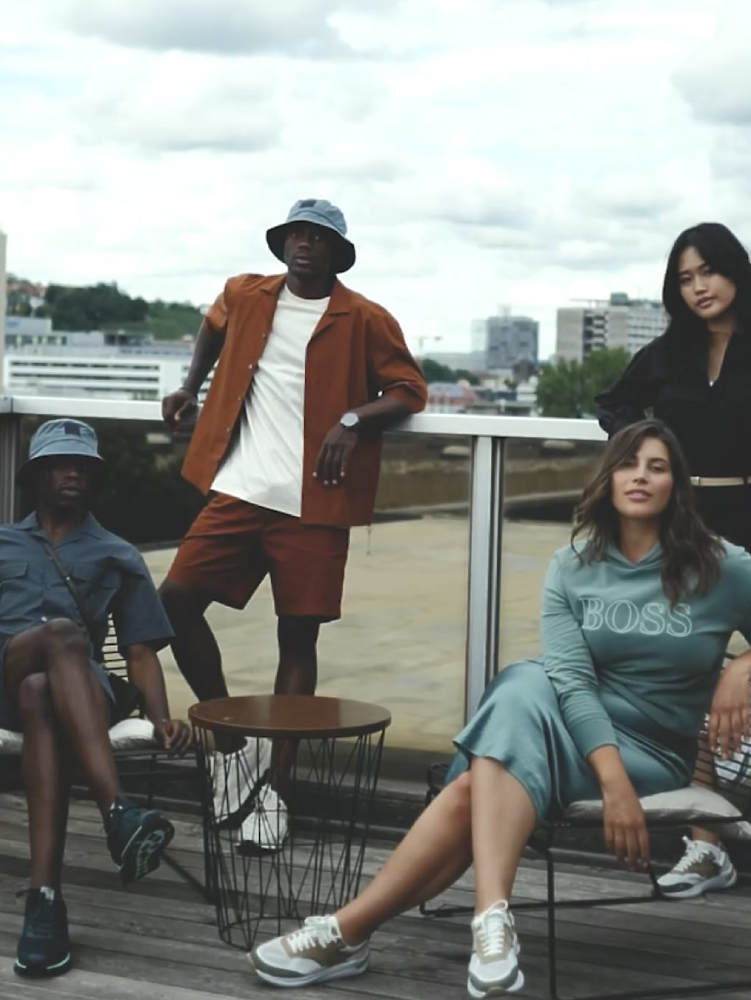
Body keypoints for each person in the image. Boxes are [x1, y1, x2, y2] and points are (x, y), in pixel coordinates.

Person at [247, 419, 751, 997]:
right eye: (627, 464)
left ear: (676, 485)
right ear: (608, 479)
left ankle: (348, 934)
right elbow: (572, 684)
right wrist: (610, 784)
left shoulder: (721, 567)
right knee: (524, 683)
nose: (640, 476)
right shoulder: (572, 566)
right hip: (577, 730)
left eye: (656, 467)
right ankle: (490, 921)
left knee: (477, 777)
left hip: (653, 753)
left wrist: (740, 668)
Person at [158, 198, 427, 848]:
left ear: (337, 252)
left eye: (318, 237)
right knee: (171, 605)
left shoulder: (364, 317)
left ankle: (276, 792)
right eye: (295, 234)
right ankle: (233, 748)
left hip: (315, 503)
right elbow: (212, 328)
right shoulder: (246, 294)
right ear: (282, 244)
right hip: (239, 488)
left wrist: (353, 420)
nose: (304, 244)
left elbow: (408, 390)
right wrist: (191, 385)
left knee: (297, 642)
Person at [0, 419, 190, 979]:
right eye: (60, 464)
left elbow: (138, 650)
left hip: (74, 695)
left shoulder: (118, 554)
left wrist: (160, 717)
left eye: (82, 465)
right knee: (60, 636)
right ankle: (118, 813)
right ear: (36, 476)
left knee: (42, 690)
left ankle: (45, 904)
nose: (72, 473)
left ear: (95, 479)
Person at [596, 221, 751, 897]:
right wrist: (648, 450)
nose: (698, 288)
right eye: (684, 279)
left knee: (738, 675)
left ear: (735, 270)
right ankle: (706, 843)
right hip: (686, 525)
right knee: (691, 678)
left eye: (708, 271)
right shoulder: (668, 353)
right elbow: (614, 404)